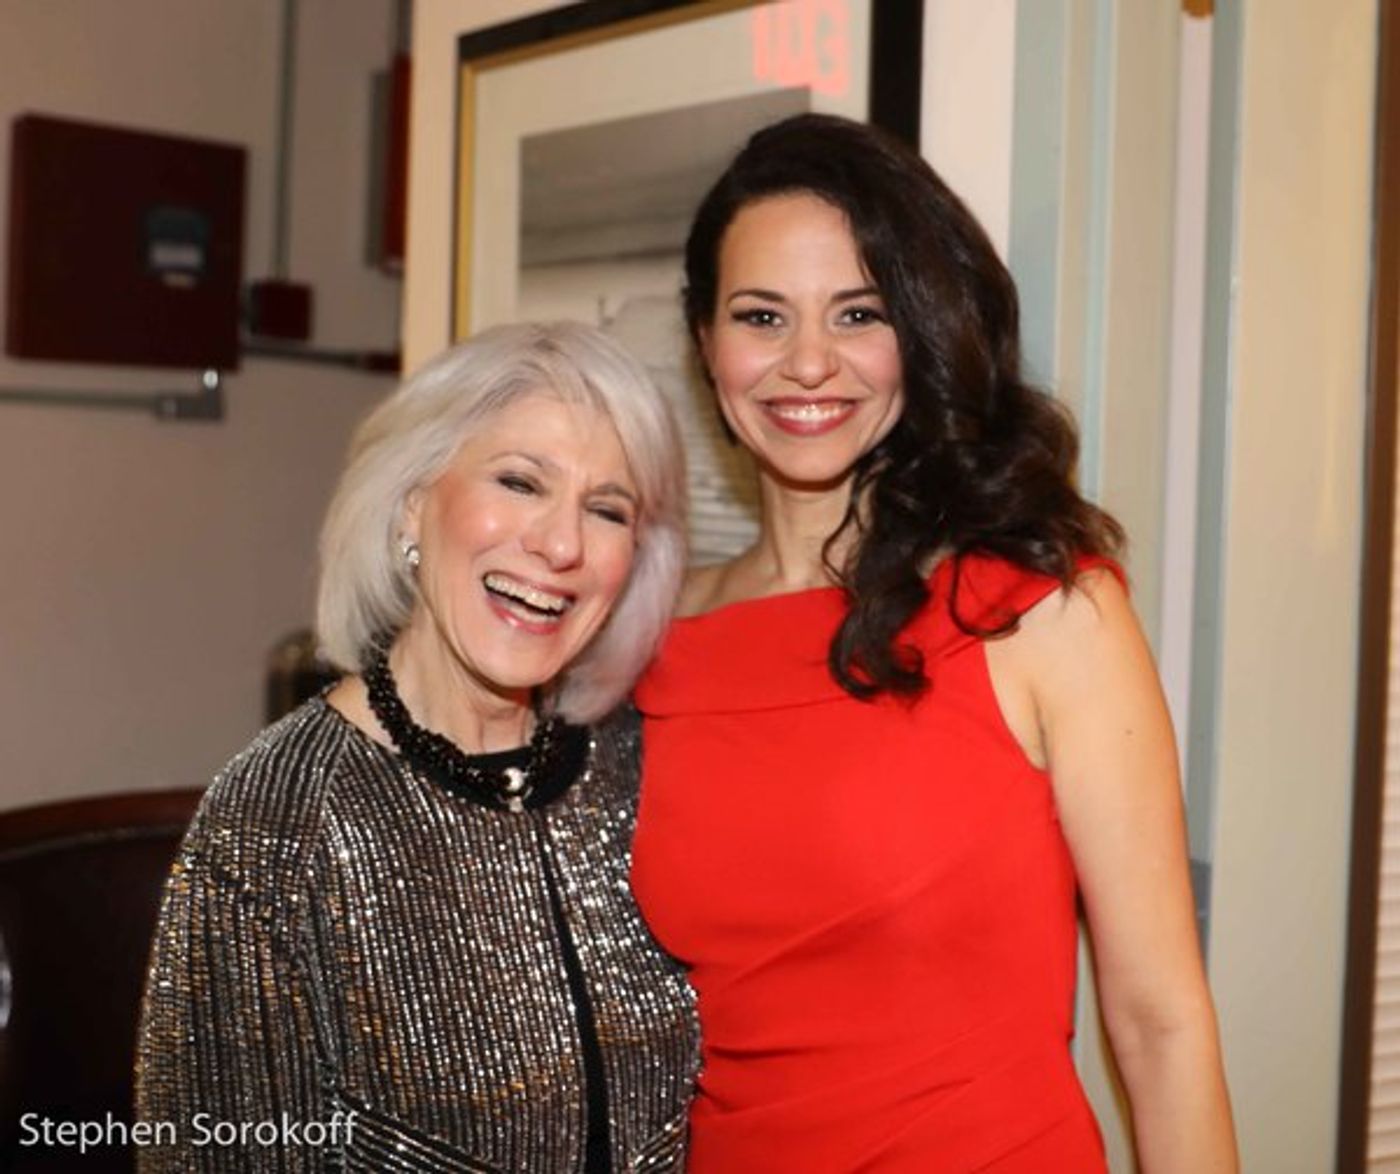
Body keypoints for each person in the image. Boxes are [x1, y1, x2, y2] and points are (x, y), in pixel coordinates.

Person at [630, 114, 1237, 1172]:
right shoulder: (652, 638)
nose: (806, 362)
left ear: (917, 331)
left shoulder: (1042, 613)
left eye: (858, 313)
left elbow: (1160, 1024)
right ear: (704, 343)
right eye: (762, 316)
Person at [136, 322, 698, 1172]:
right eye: (520, 482)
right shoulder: (279, 818)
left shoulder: (643, 764)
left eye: (607, 509)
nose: (562, 545)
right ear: (411, 504)